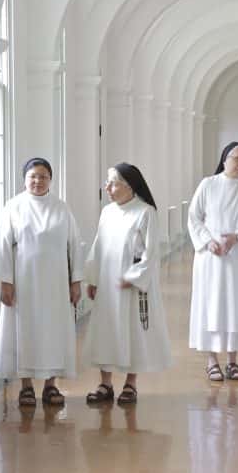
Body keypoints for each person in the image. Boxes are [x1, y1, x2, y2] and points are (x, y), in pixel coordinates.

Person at [0, 157, 83, 407]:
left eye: (43, 176)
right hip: (24, 283)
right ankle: (26, 386)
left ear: (51, 180)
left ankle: (51, 385)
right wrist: (5, 281)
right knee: (26, 331)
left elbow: (74, 245)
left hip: (55, 284)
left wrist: (75, 280)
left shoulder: (61, 208)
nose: (38, 181)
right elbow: (2, 245)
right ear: (24, 179)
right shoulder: (13, 206)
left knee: (53, 332)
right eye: (33, 176)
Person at [84, 164, 172, 405]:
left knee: (133, 332)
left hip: (132, 286)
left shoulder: (145, 212)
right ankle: (105, 383)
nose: (107, 187)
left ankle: (131, 384)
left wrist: (132, 277)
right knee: (106, 330)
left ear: (129, 185)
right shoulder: (107, 212)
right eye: (108, 182)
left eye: (113, 183)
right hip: (107, 282)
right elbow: (97, 246)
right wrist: (92, 279)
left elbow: (152, 253)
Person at [187, 142, 238, 381]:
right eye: (237, 158)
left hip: (236, 256)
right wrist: (207, 241)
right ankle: (211, 360)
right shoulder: (208, 184)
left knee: (234, 306)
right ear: (225, 158)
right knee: (210, 306)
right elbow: (194, 217)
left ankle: (232, 361)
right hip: (210, 257)